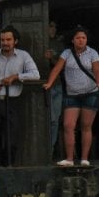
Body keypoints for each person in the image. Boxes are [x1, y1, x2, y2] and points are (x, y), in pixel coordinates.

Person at [0, 25, 40, 178]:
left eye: (8, 40)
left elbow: (35, 74)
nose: (5, 43)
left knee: (11, 139)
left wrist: (16, 77)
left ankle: (8, 170)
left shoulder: (23, 56)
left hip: (12, 102)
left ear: (15, 41)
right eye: (3, 40)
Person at [43, 26, 99, 167]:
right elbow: (57, 68)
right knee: (68, 125)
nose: (81, 40)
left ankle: (84, 158)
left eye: (83, 38)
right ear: (72, 40)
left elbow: (96, 69)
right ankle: (69, 159)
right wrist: (49, 83)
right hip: (72, 95)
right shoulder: (66, 53)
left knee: (86, 126)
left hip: (90, 93)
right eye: (78, 38)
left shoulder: (92, 53)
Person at [44, 21, 64, 155]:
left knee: (55, 120)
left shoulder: (59, 45)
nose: (53, 29)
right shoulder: (38, 40)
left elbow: (62, 65)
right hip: (41, 85)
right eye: (50, 26)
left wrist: (51, 59)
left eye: (54, 26)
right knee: (47, 119)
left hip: (57, 85)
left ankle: (50, 149)